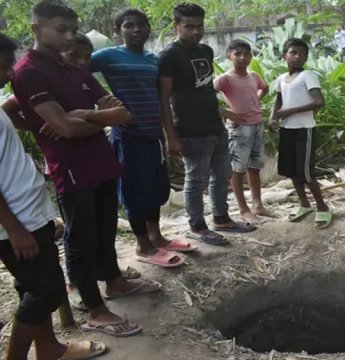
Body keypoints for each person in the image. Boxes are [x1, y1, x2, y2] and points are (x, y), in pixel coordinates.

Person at [12, 0, 160, 337]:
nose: (69, 37)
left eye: (72, 31)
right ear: (36, 29)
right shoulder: (29, 72)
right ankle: (94, 308)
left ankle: (115, 283)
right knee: (81, 238)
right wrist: (66, 122)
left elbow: (122, 115)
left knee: (107, 228)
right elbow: (63, 129)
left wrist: (84, 116)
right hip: (71, 168)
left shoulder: (73, 68)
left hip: (101, 161)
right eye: (61, 30)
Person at [0, 31, 108, 360]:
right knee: (47, 291)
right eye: (4, 66)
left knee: (32, 287)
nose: (9, 74)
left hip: (29, 214)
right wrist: (16, 229)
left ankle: (48, 348)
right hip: (16, 223)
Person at [91, 8, 193, 268]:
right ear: (118, 31)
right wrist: (100, 103)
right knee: (135, 193)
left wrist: (167, 134)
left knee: (156, 189)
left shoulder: (152, 59)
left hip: (153, 135)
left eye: (141, 25)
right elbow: (75, 73)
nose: (137, 30)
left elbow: (161, 98)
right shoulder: (107, 57)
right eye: (129, 25)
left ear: (149, 28)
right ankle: (142, 246)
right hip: (129, 137)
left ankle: (156, 237)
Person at [159, 3, 255, 246]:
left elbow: (204, 90)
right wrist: (171, 135)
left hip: (215, 125)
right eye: (189, 27)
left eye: (199, 26)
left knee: (221, 174)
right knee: (196, 179)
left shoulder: (206, 51)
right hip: (190, 129)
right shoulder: (169, 56)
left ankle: (221, 218)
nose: (195, 31)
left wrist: (223, 113)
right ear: (176, 26)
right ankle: (197, 226)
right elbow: (164, 97)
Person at [269, 38, 332, 228]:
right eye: (293, 52)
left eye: (302, 54)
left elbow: (319, 102)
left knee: (306, 173)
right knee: (292, 172)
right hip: (287, 130)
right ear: (284, 55)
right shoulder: (281, 79)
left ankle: (322, 207)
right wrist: (272, 117)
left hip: (305, 130)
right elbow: (278, 99)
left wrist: (290, 111)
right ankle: (304, 204)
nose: (298, 57)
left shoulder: (308, 75)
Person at [214, 39, 274, 224]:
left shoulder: (253, 76)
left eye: (246, 54)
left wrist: (257, 101)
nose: (242, 58)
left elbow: (265, 87)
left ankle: (257, 204)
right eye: (237, 54)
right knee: (237, 169)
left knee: (254, 167)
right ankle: (243, 209)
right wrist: (225, 112)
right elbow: (205, 96)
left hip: (256, 124)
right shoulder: (225, 78)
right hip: (239, 128)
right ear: (229, 56)